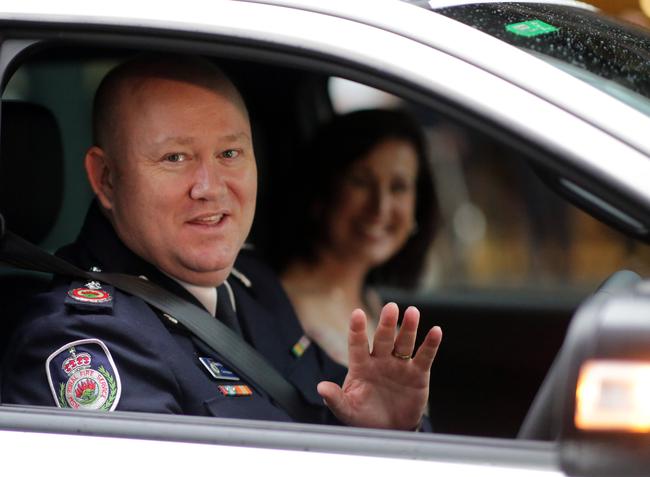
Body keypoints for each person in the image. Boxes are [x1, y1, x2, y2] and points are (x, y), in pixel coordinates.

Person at [1, 54, 442, 431]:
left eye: (229, 154)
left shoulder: (255, 285)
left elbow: (319, 414)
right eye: (175, 158)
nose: (210, 187)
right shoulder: (86, 342)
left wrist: (380, 433)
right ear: (107, 179)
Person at [272, 109, 436, 366]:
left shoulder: (369, 301)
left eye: (399, 187)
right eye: (361, 181)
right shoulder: (278, 306)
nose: (380, 208)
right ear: (322, 190)